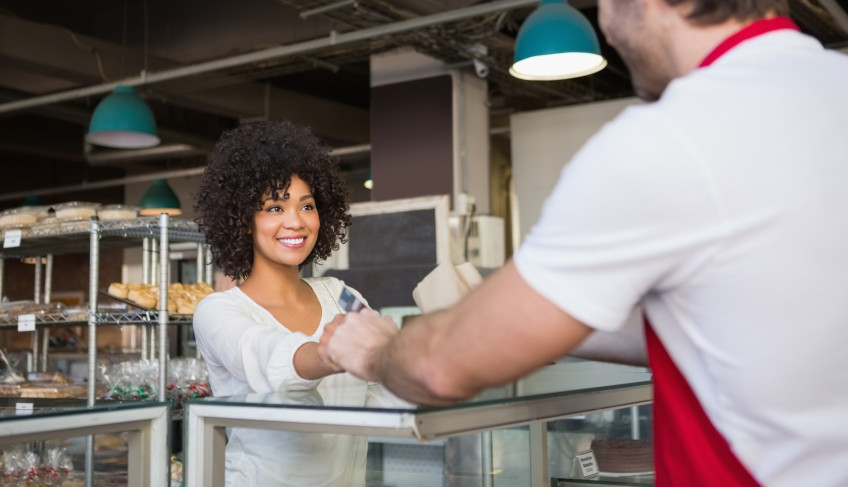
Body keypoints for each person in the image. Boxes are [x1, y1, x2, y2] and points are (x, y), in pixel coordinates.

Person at [319, 1, 848, 486]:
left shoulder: (667, 140)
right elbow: (750, 319)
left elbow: (439, 368)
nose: (609, 28)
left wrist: (375, 351)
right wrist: (547, 323)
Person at [193, 119, 369, 487]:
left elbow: (388, 374)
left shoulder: (339, 295)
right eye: (275, 207)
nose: (296, 222)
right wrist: (335, 352)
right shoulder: (219, 312)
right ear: (243, 220)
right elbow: (269, 355)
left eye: (307, 206)